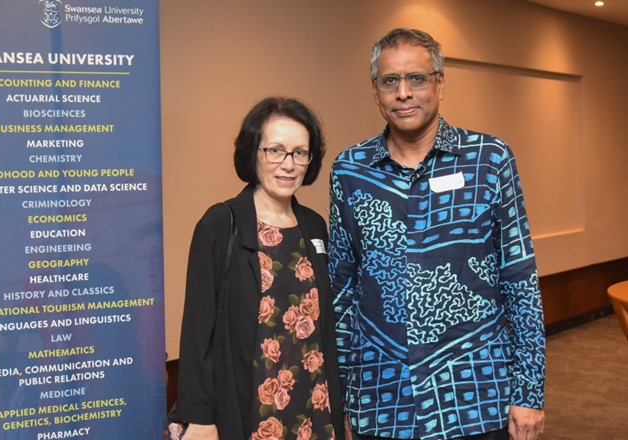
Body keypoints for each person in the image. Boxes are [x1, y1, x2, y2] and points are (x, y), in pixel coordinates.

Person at [328, 28, 545, 440]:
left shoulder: (489, 160)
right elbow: (342, 290)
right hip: (380, 400)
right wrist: (340, 400)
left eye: (417, 78)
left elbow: (520, 280)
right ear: (376, 91)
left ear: (440, 84)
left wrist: (529, 392)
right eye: (390, 81)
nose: (403, 93)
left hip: (476, 399)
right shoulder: (350, 171)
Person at [176, 97, 345, 439]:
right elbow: (197, 333)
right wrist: (200, 417)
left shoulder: (314, 226)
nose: (289, 164)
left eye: (300, 152)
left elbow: (325, 325)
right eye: (276, 150)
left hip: (315, 405)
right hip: (250, 409)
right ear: (253, 152)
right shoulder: (221, 223)